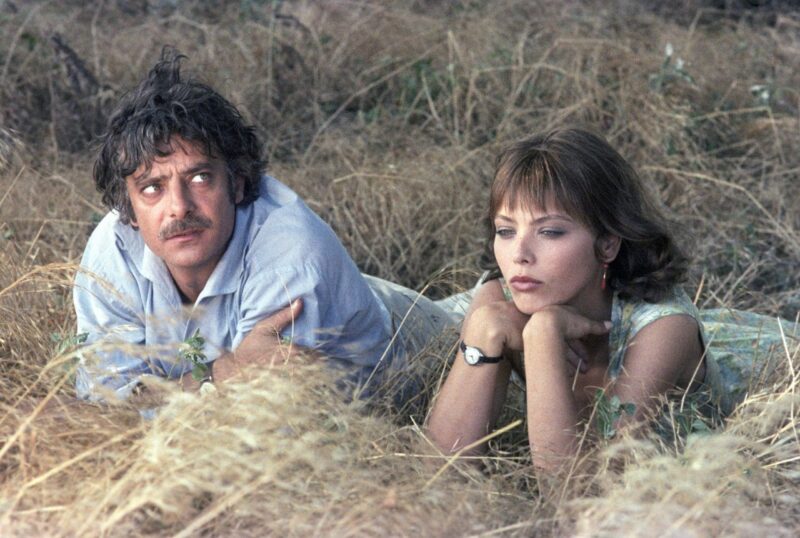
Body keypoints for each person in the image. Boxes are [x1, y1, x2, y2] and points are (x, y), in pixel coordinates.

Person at [74, 48, 457, 404]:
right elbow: (104, 406)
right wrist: (227, 371)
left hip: (408, 335)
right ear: (128, 209)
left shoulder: (292, 260)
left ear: (238, 182)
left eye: (200, 178)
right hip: (340, 289)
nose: (178, 207)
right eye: (152, 188)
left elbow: (253, 425)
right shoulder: (114, 249)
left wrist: (168, 393)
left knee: (471, 318)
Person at [426, 127, 795, 470]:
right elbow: (435, 469)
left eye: (550, 231)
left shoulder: (664, 329)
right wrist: (483, 331)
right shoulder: (498, 302)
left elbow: (576, 497)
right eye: (506, 230)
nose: (519, 254)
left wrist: (542, 337)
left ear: (607, 244)